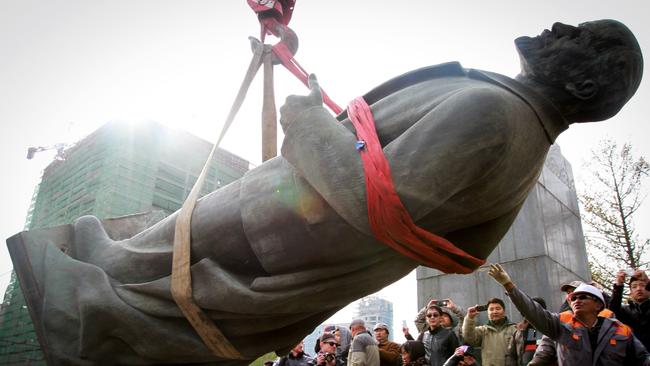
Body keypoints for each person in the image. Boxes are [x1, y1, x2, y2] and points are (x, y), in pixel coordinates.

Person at [17, 19, 644, 365]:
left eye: (582, 36)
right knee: (139, 258)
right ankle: (98, 277)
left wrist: (310, 125)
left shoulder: (495, 117)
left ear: (588, 84)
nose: (559, 26)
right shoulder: (511, 121)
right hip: (278, 222)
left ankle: (86, 299)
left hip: (279, 225)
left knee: (142, 266)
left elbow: (381, 206)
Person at [488, 263, 650, 365]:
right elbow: (534, 311)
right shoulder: (561, 324)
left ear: (598, 304)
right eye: (573, 297)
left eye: (583, 297)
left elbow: (643, 358)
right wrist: (509, 286)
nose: (576, 300)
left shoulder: (620, 329)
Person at [462, 298, 516, 366]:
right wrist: (469, 317)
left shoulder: (514, 329)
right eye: (491, 309)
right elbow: (469, 337)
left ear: (504, 311)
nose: (495, 311)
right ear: (488, 312)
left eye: (498, 308)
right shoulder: (483, 331)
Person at [610, 269, 650, 349]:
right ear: (630, 292)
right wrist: (618, 285)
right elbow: (612, 310)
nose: (639, 289)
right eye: (634, 286)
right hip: (632, 355)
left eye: (643, 285)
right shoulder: (625, 310)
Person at [505, 297, 547, 366]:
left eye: (536, 309)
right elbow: (511, 356)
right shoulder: (519, 331)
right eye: (530, 308)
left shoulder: (550, 328)